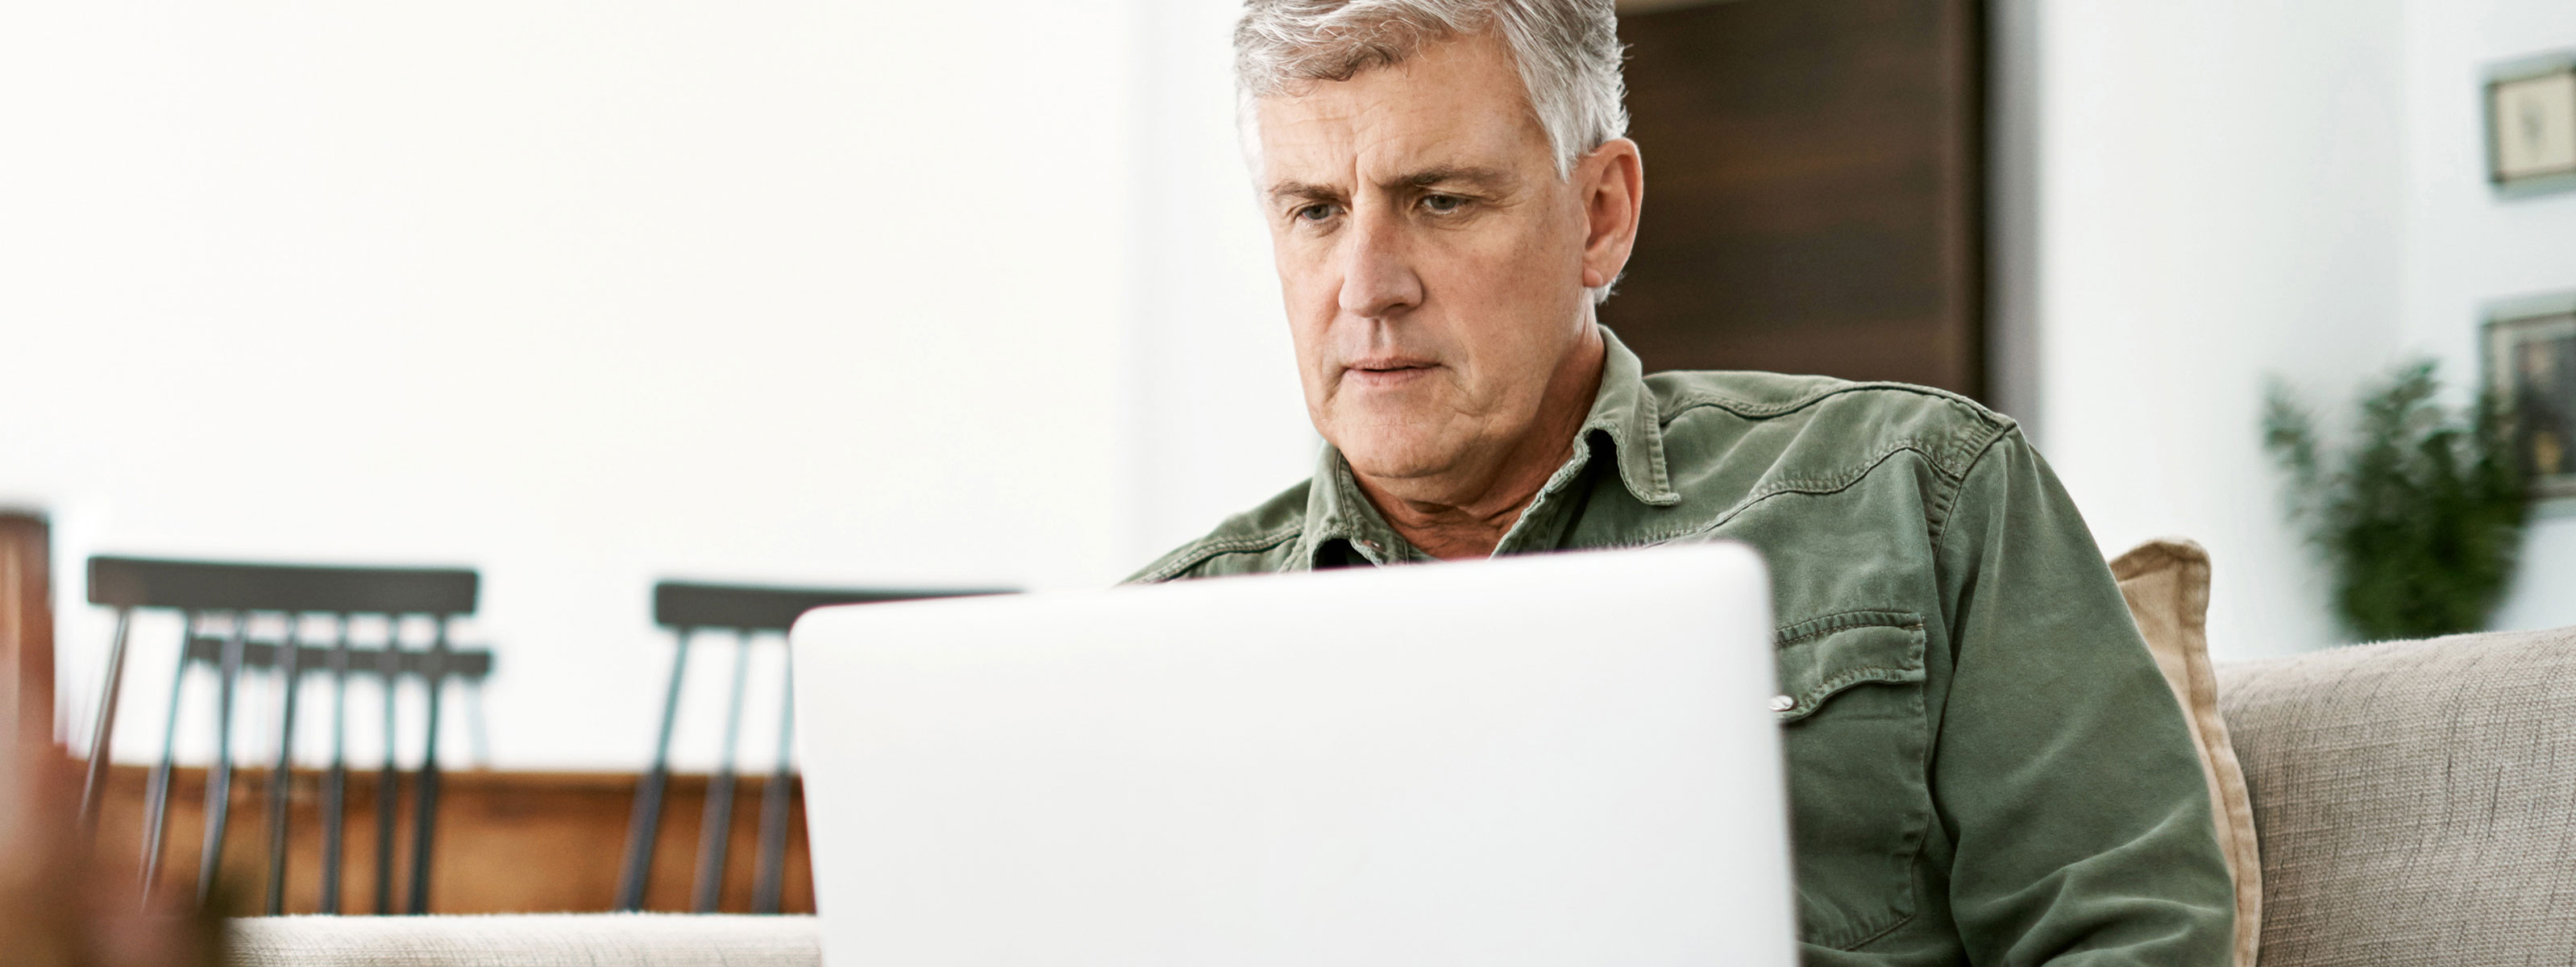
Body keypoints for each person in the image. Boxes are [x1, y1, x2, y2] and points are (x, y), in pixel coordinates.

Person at [1128, 2, 2237, 963]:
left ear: (1601, 214)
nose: (1366, 288)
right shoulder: (1157, 646)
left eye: (1441, 200)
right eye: (1315, 210)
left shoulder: (1923, 495)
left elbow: (2130, 939)